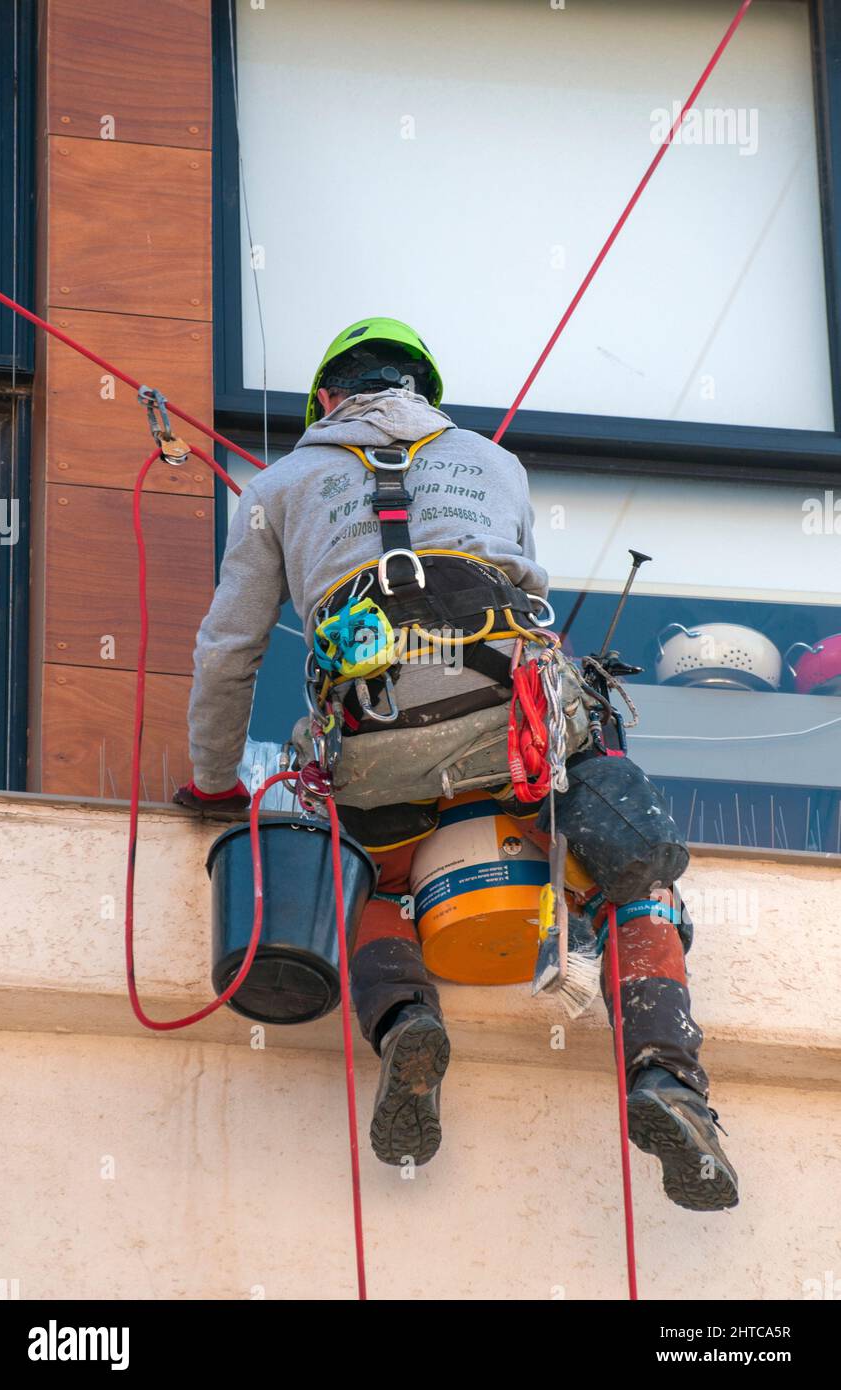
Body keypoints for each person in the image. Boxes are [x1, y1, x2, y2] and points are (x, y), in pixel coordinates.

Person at [174, 317, 738, 1211]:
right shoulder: (491, 461)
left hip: (373, 742)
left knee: (372, 876)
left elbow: (226, 651)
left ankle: (407, 1023)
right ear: (421, 390)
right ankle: (666, 1077)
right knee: (639, 883)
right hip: (513, 726)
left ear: (326, 398)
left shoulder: (278, 484)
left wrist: (211, 779)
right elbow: (523, 591)